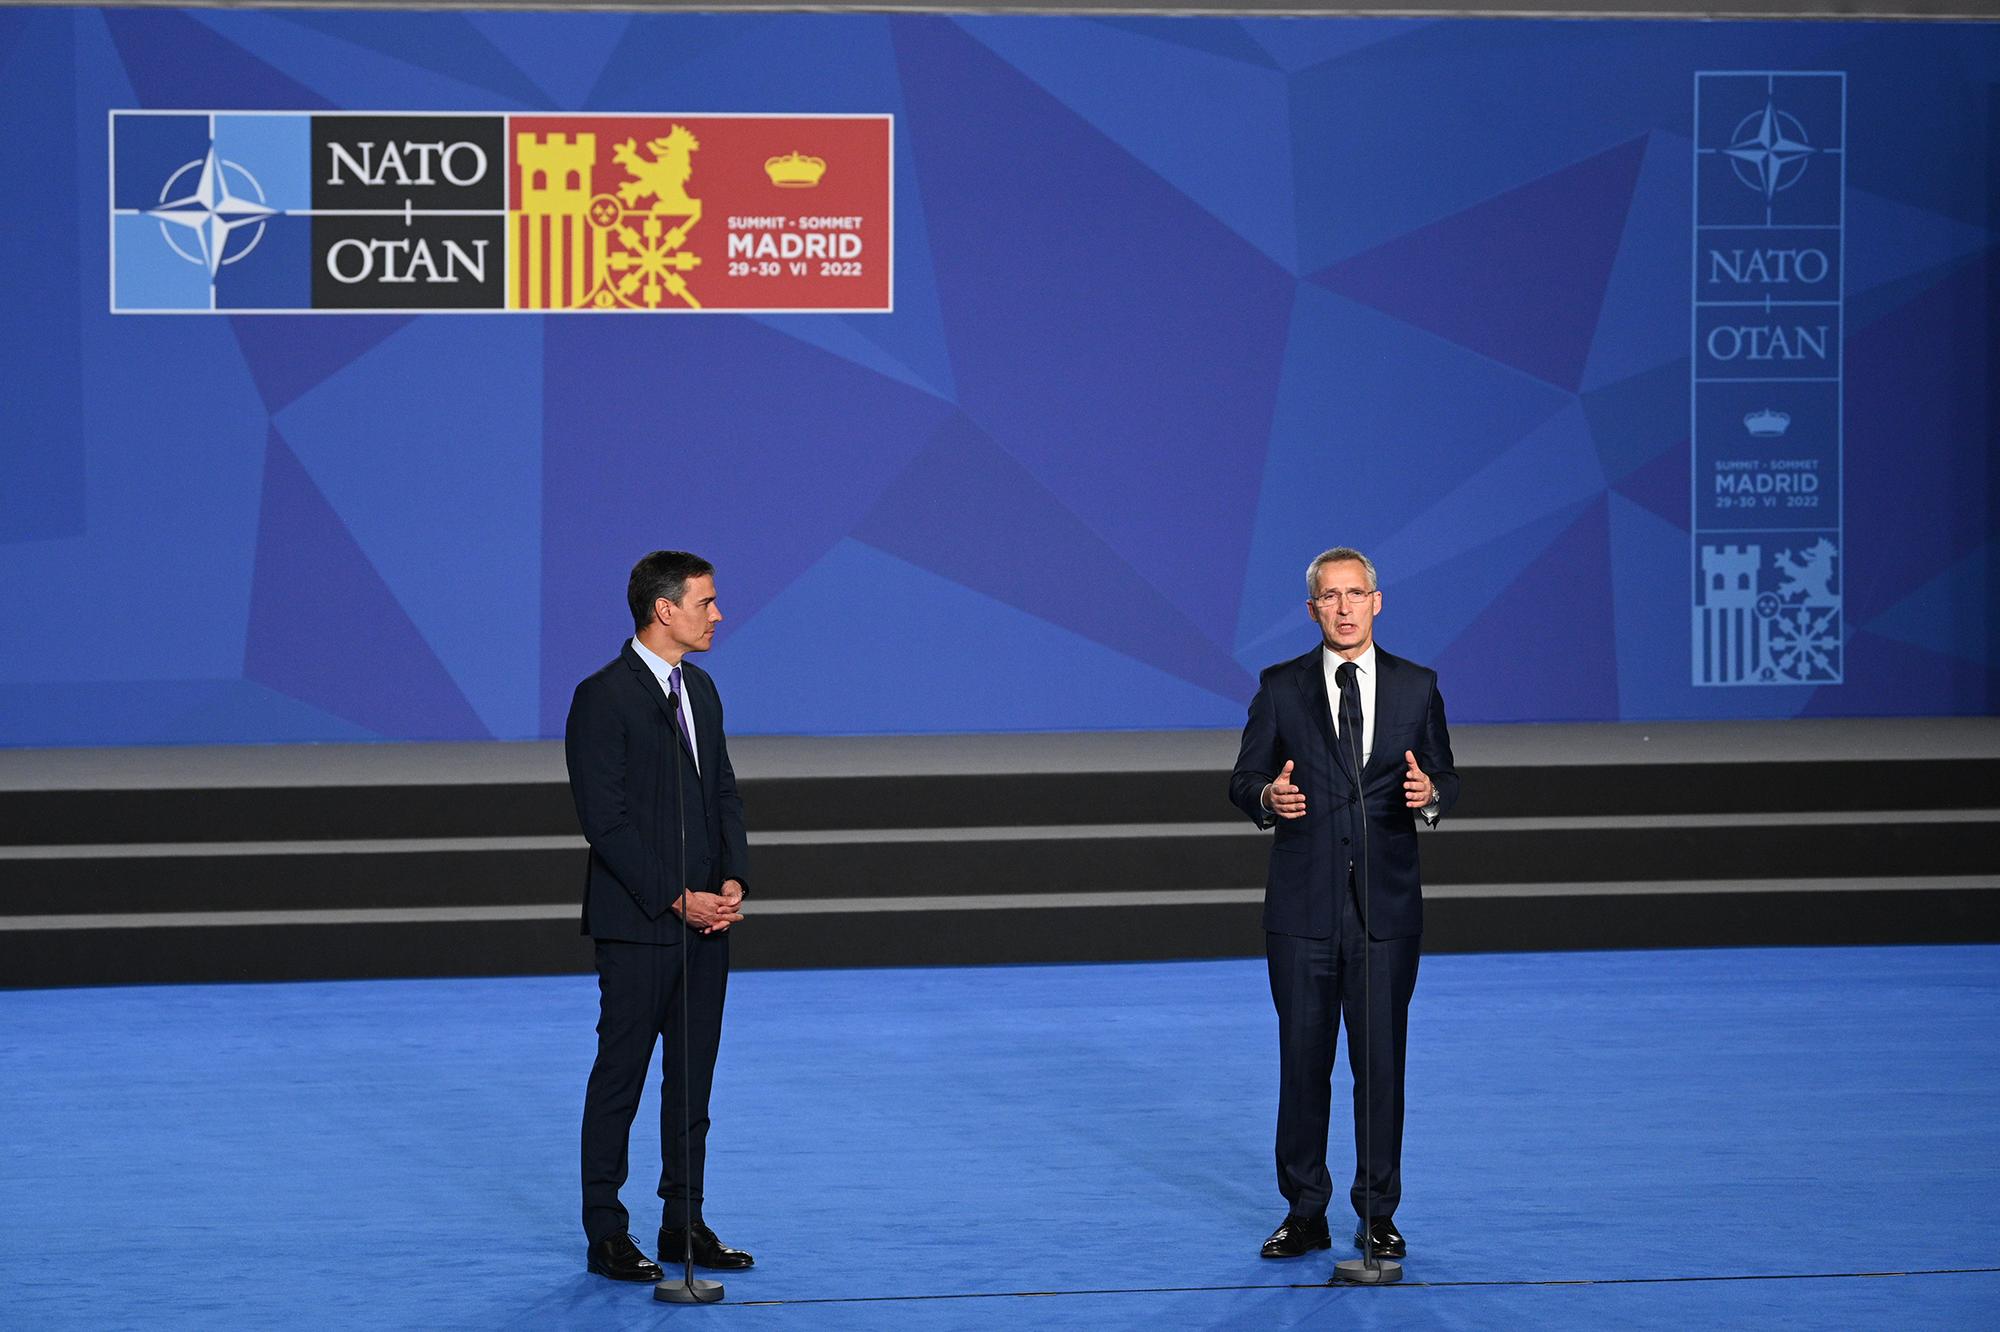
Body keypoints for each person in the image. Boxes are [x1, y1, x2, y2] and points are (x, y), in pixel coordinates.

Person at [1228, 546, 1459, 1264]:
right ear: (1312, 609)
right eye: (1330, 596)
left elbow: (1443, 773)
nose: (1345, 606)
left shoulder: (1418, 687)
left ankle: (1378, 1215)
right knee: (1303, 1065)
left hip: (1384, 912)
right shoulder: (1280, 687)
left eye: (1356, 593)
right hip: (1302, 913)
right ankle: (1305, 1212)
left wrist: (1431, 799)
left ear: (1377, 601)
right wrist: (1268, 796)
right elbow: (1244, 777)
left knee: (1381, 1067)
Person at [566, 550, 754, 1282]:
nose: (717, 614)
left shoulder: (701, 691)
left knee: (692, 1080)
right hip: (640, 921)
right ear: (663, 610)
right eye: (706, 602)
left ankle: (684, 1223)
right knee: (622, 1076)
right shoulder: (602, 697)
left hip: (709, 923)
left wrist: (733, 877)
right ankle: (606, 1231)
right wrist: (678, 895)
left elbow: (725, 793)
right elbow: (604, 822)